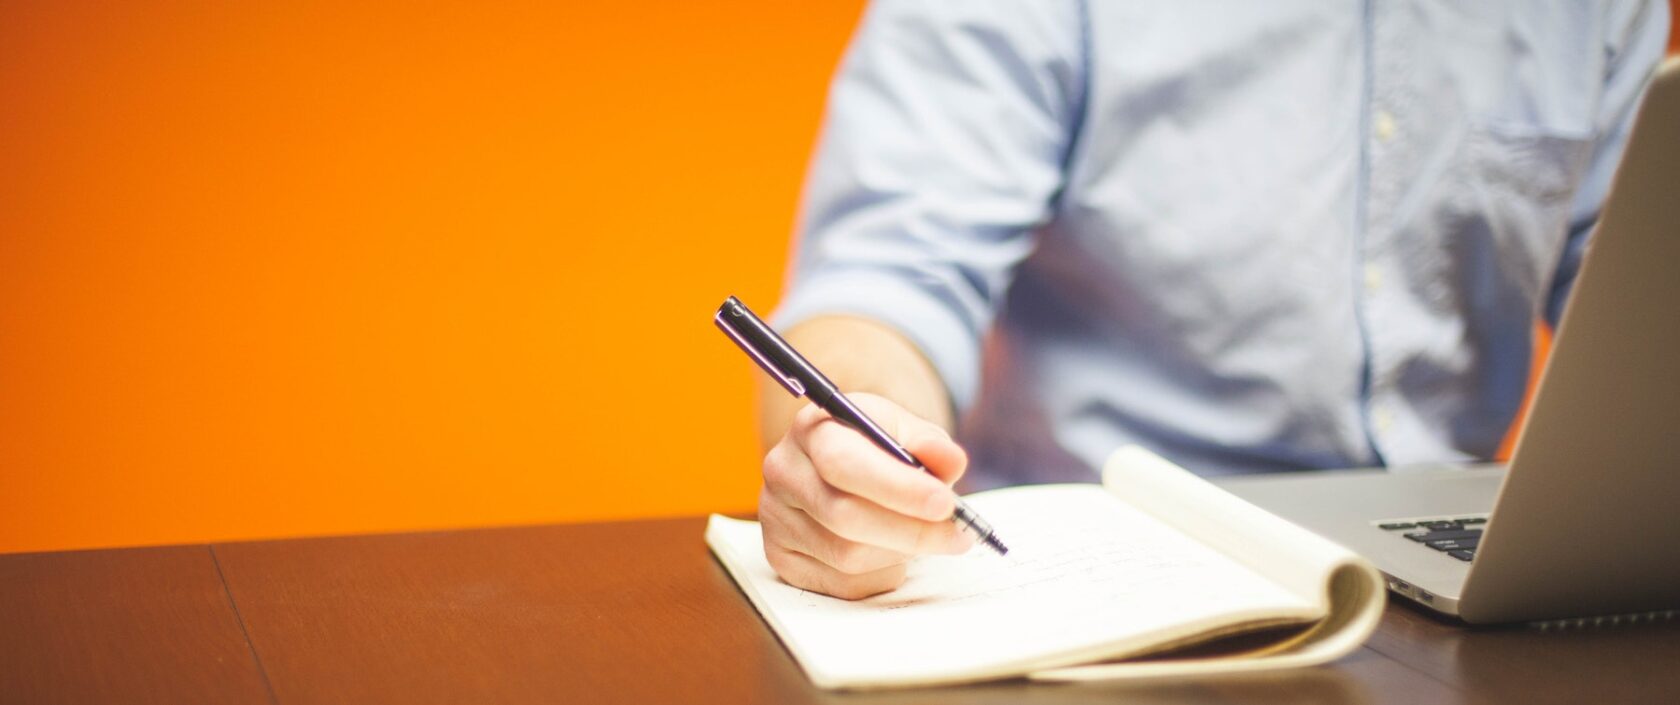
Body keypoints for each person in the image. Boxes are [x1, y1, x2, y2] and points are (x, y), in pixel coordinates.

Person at [754, 1, 1672, 599]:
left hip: (1475, 578)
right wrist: (860, 437)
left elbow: (1639, 289)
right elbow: (888, 276)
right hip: (1100, 577)